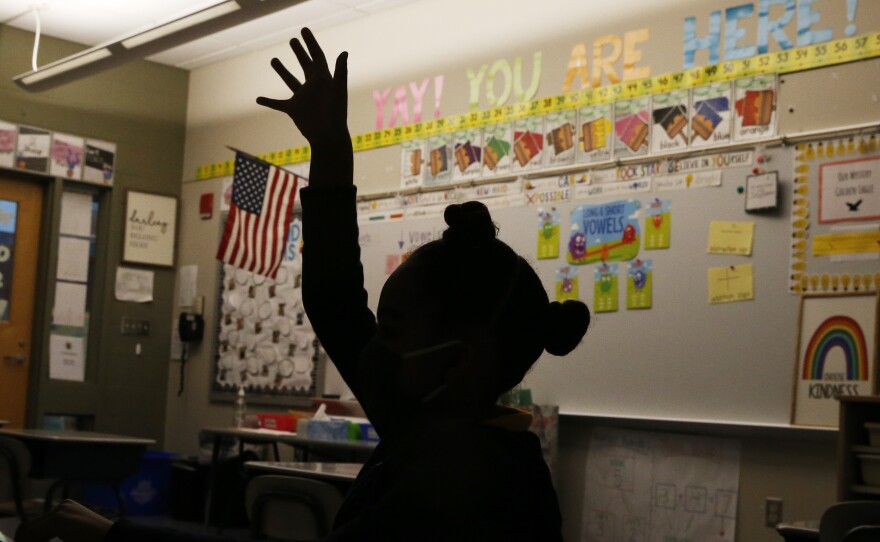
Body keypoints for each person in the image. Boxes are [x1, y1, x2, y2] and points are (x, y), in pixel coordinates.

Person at [16, 28, 590, 542]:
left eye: (391, 330)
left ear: (456, 361)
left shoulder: (472, 487)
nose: (374, 348)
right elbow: (336, 298)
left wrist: (116, 537)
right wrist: (331, 149)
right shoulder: (434, 415)